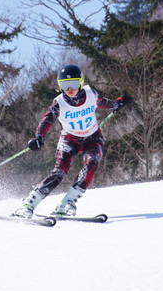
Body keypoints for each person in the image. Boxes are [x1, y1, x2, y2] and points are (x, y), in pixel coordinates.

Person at [12, 64, 132, 218]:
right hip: (70, 139)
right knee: (60, 172)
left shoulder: (90, 94)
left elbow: (102, 102)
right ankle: (28, 204)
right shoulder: (59, 102)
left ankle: (67, 203)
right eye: (64, 85)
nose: (69, 89)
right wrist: (38, 137)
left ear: (81, 82)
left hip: (92, 138)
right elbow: (47, 120)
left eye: (74, 84)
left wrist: (117, 103)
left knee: (92, 163)